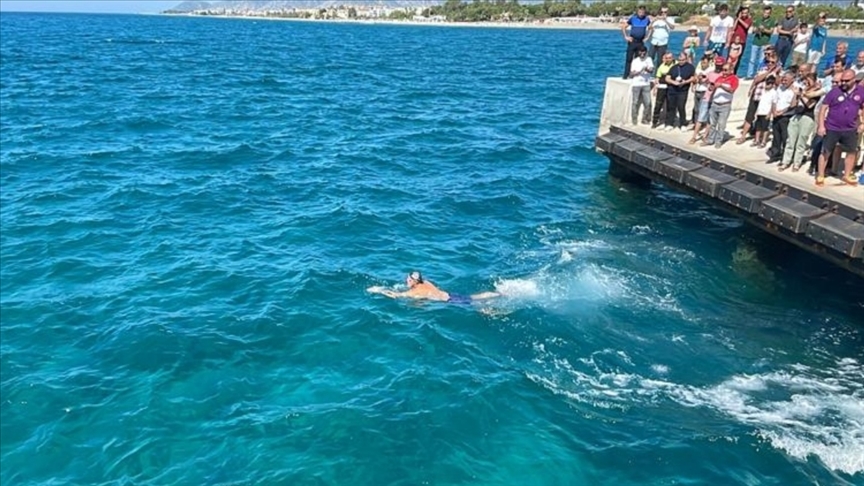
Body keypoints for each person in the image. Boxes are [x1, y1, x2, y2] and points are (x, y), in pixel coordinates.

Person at [815, 69, 864, 186]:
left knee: (851, 152)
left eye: (846, 81)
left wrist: (862, 123)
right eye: (842, 80)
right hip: (832, 127)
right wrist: (821, 125)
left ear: (854, 80)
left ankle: (846, 175)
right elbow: (823, 109)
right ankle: (820, 175)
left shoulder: (861, 92)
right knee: (826, 151)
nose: (843, 83)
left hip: (850, 128)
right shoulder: (834, 92)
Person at [369, 271, 501, 304]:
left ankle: (491, 310)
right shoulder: (425, 282)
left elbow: (396, 295)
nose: (406, 280)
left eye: (409, 279)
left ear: (415, 282)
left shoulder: (415, 291)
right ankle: (497, 293)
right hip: (450, 294)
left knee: (474, 304)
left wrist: (379, 291)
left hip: (450, 301)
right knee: (473, 297)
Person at [780, 73, 821, 171]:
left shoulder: (816, 92)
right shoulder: (802, 90)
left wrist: (801, 95)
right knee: (790, 140)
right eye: (805, 80)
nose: (806, 82)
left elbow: (810, 105)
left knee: (801, 141)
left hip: (807, 117)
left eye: (808, 80)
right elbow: (793, 104)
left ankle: (796, 163)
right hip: (797, 115)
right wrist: (795, 95)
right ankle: (785, 161)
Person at [701, 60, 739, 148]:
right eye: (723, 70)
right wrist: (711, 86)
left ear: (731, 71)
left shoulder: (734, 79)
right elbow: (713, 88)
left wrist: (721, 85)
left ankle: (718, 140)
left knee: (721, 124)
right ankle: (710, 139)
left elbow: (732, 90)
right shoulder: (720, 78)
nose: (724, 72)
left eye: (726, 70)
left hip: (724, 105)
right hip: (715, 103)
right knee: (712, 123)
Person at [766, 73, 797, 163]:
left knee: (785, 137)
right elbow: (775, 101)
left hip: (786, 116)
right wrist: (774, 111)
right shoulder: (779, 88)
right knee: (776, 136)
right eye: (783, 80)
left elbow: (793, 105)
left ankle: (785, 156)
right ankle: (775, 154)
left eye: (786, 80)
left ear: (792, 80)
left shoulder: (793, 90)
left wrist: (782, 112)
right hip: (776, 115)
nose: (783, 82)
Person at [664, 52, 696, 131]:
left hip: (683, 90)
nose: (681, 62)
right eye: (679, 60)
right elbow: (667, 78)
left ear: (686, 59)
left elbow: (693, 78)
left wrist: (685, 82)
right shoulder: (674, 67)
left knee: (681, 106)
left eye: (682, 60)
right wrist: (673, 82)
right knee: (671, 107)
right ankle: (669, 123)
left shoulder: (690, 67)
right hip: (672, 90)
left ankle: (683, 123)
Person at [622, 6, 652, 79]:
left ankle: (635, 74)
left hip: (640, 42)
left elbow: (651, 28)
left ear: (644, 12)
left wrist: (647, 37)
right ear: (637, 12)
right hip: (632, 41)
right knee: (629, 59)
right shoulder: (633, 18)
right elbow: (623, 27)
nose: (641, 14)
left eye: (642, 12)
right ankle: (626, 75)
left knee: (638, 59)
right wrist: (626, 36)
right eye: (639, 12)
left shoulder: (647, 19)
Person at [747, 5, 776, 79]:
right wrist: (757, 30)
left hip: (764, 43)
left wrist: (764, 29)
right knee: (752, 59)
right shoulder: (758, 19)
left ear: (770, 14)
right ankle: (749, 75)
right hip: (756, 42)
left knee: (761, 60)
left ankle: (759, 75)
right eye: (765, 13)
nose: (766, 14)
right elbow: (753, 31)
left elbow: (771, 31)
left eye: (768, 13)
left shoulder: (772, 20)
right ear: (763, 12)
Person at [630, 45, 654, 125]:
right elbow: (632, 73)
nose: (642, 54)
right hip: (636, 84)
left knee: (648, 103)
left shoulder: (649, 59)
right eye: (641, 52)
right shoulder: (635, 61)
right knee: (635, 102)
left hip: (646, 83)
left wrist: (646, 69)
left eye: (644, 52)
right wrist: (638, 72)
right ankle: (634, 119)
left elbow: (651, 70)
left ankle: (645, 119)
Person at [652, 51, 675, 128]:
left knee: (670, 105)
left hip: (671, 87)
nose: (668, 59)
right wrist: (655, 88)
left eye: (669, 58)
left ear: (672, 58)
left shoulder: (675, 65)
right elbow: (657, 78)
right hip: (662, 87)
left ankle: (668, 122)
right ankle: (655, 121)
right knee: (658, 104)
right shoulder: (661, 66)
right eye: (667, 58)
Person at [752, 76, 776, 148]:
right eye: (766, 83)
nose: (767, 85)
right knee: (758, 127)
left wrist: (770, 113)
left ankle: (763, 141)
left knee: (765, 128)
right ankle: (756, 140)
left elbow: (773, 104)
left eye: (769, 84)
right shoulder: (763, 91)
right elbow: (760, 102)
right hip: (760, 111)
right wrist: (756, 112)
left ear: (772, 84)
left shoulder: (774, 93)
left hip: (766, 112)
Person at [729, 6, 752, 75]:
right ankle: (728, 71)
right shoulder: (737, 19)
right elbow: (733, 28)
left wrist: (740, 20)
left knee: (738, 58)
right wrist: (737, 19)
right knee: (730, 57)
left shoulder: (749, 19)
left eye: (746, 13)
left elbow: (746, 26)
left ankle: (734, 73)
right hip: (733, 40)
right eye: (743, 13)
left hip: (742, 41)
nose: (744, 14)